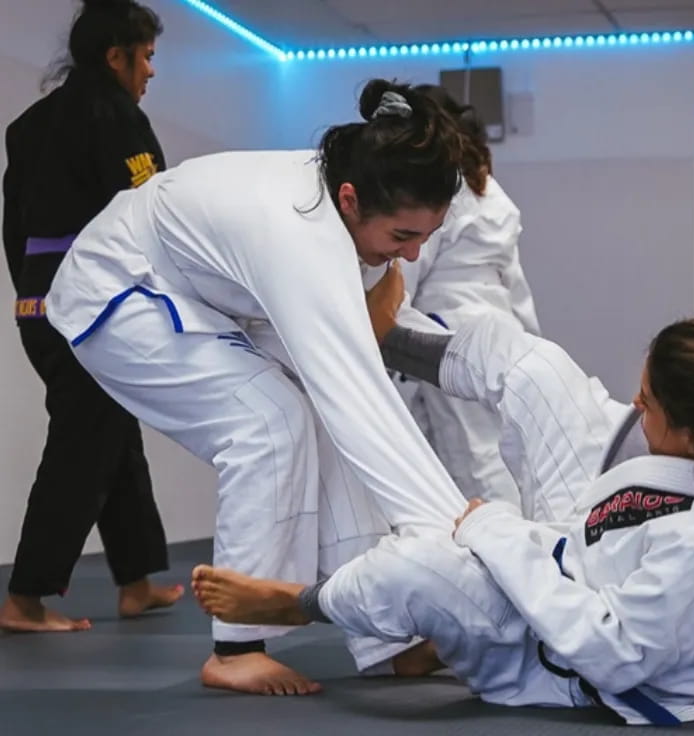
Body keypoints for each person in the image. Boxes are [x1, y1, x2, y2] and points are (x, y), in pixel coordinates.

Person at [192, 267, 694, 724]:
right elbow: (646, 509)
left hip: (550, 659)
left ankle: (300, 605)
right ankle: (384, 335)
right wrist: (517, 537)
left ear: (693, 438)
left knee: (417, 562)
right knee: (538, 371)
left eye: (649, 402)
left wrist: (495, 533)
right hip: (592, 548)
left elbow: (608, 655)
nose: (635, 406)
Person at [43, 79, 471, 695]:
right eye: (403, 238)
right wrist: (461, 536)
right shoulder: (298, 233)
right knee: (269, 421)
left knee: (317, 420)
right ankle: (235, 646)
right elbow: (365, 403)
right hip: (117, 285)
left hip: (202, 291)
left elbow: (366, 359)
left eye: (426, 238)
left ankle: (390, 637)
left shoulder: (350, 200)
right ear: (351, 201)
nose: (409, 254)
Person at [0, 0, 183, 634]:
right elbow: (149, 216)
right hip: (93, 306)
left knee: (110, 431)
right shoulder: (114, 118)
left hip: (40, 303)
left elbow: (13, 227)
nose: (151, 72)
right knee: (85, 442)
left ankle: (135, 583)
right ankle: (24, 599)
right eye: (148, 57)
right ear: (116, 57)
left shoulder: (27, 126)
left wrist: (35, 297)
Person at [391, 84, 540, 511]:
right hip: (501, 338)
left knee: (468, 467)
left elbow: (403, 278)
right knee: (501, 459)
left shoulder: (436, 188)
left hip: (444, 341)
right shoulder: (492, 191)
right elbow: (516, 291)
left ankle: (492, 557)